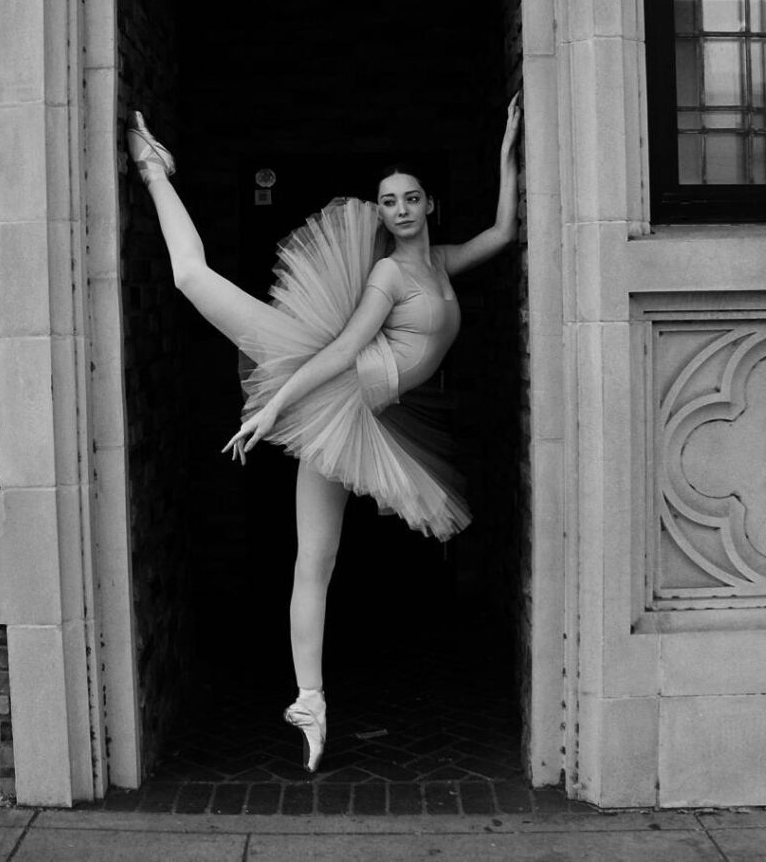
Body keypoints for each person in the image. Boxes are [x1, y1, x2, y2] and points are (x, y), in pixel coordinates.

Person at [126, 94, 522, 772]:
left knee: (320, 558)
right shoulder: (389, 273)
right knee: (192, 278)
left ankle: (309, 701)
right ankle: (154, 170)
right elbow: (340, 351)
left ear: (428, 204)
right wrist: (274, 408)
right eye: (387, 200)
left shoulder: (442, 264)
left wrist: (506, 152)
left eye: (409, 198)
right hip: (323, 378)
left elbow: (505, 234)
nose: (398, 208)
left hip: (359, 414)